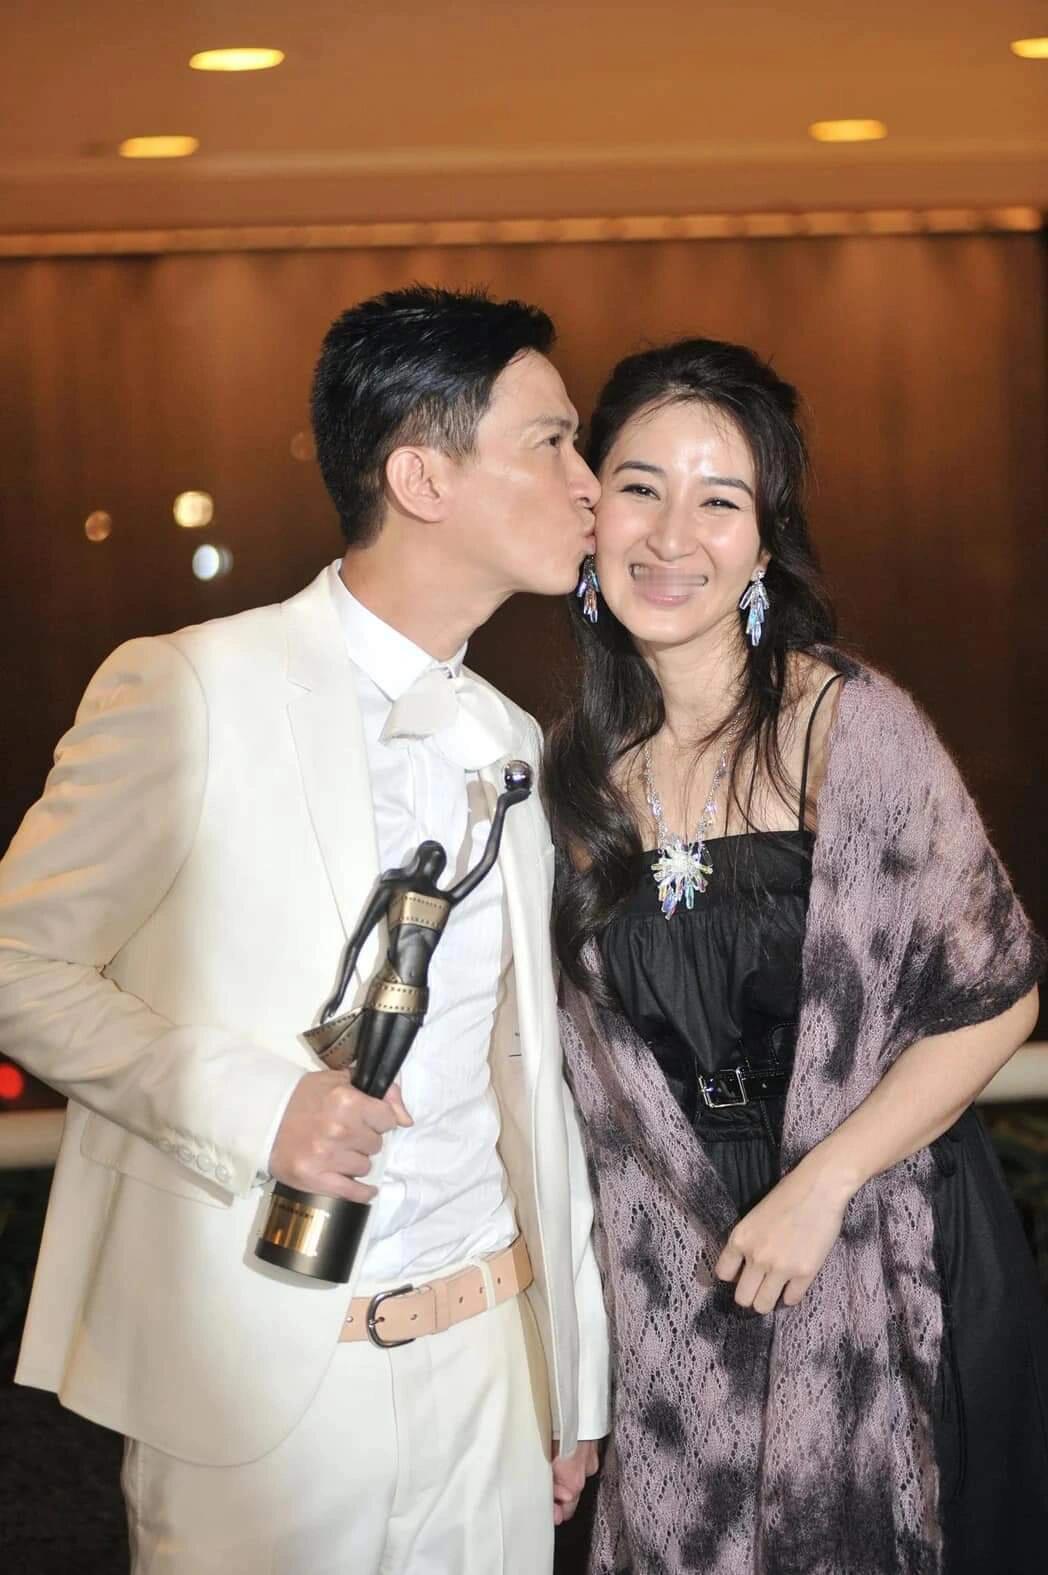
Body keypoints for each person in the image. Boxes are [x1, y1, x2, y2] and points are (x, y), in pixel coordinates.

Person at [0, 285, 609, 1573]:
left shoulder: (509, 739)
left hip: (490, 1371)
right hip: (260, 1383)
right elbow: (18, 961)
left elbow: (523, 1084)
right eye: (552, 442)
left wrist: (568, 1374)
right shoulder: (192, 688)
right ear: (422, 477)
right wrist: (255, 1105)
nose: (589, 482)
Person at [544, 337, 1047, 1574]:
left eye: (719, 502)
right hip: (671, 1264)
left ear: (763, 549)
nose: (672, 536)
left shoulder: (845, 724)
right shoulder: (571, 777)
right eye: (641, 487)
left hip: (879, 1228)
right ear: (590, 511)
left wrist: (821, 1185)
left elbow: (997, 996)